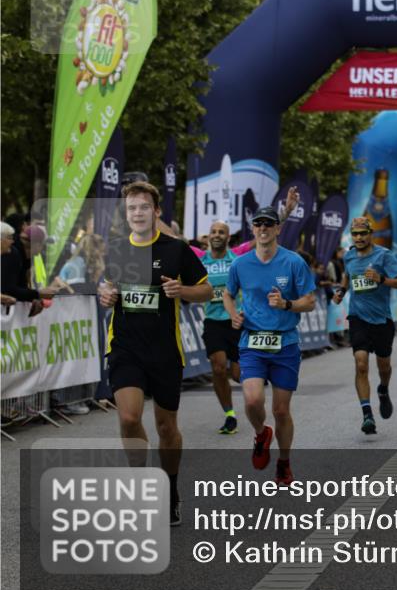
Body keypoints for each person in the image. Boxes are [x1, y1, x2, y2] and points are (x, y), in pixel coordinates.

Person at [98, 181, 212, 526]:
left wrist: (183, 290)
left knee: (166, 427)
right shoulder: (115, 249)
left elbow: (207, 290)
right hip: (125, 347)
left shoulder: (176, 249)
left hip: (164, 351)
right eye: (131, 208)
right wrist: (106, 294)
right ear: (126, 213)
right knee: (130, 418)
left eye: (143, 207)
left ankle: (171, 489)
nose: (137, 213)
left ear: (156, 211)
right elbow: (107, 287)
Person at [223, 206, 316, 484]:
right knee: (252, 400)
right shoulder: (240, 264)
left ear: (277, 229)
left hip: (285, 344)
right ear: (253, 230)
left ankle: (284, 463)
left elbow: (309, 301)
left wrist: (287, 304)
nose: (263, 228)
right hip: (252, 341)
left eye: (269, 224)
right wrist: (233, 315)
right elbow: (228, 295)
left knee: (281, 411)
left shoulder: (293, 262)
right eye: (258, 224)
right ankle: (261, 433)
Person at [332, 217, 397, 435]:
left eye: (362, 233)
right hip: (358, 318)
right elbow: (348, 278)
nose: (358, 237)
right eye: (355, 234)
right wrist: (341, 291)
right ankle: (367, 414)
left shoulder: (384, 256)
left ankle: (383, 390)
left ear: (370, 234)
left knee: (383, 367)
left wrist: (382, 279)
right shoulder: (348, 256)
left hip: (382, 320)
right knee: (361, 363)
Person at [200, 220, 243, 435]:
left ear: (228, 237)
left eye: (221, 232)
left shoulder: (236, 260)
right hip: (213, 322)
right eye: (213, 231)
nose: (216, 235)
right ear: (208, 236)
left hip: (236, 321)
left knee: (237, 375)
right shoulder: (201, 260)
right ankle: (229, 414)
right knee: (218, 367)